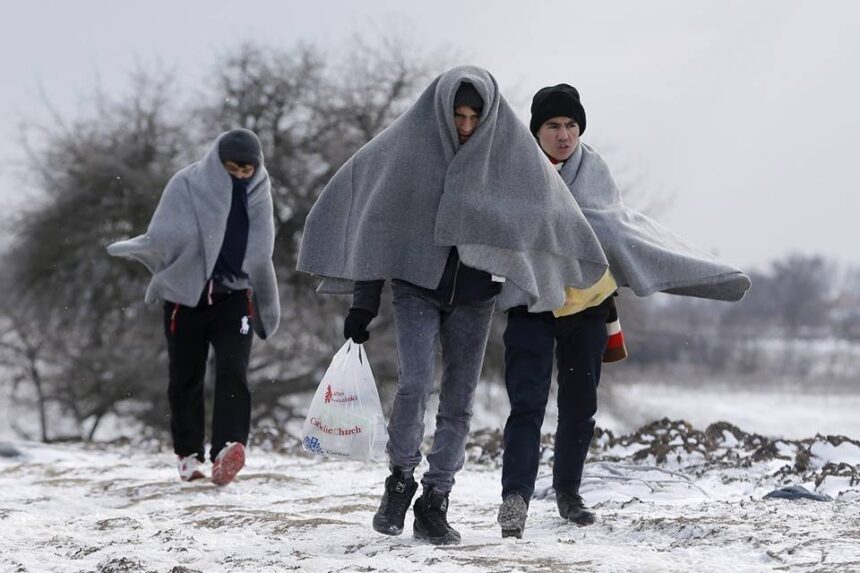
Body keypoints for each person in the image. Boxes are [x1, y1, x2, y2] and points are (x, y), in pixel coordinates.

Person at [298, 66, 609, 545]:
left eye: (474, 117)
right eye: (458, 115)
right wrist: (363, 304)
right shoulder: (407, 153)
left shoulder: (505, 159)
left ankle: (435, 499)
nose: (465, 126)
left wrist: (555, 278)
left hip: (476, 295)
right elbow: (376, 228)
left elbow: (550, 216)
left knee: (459, 402)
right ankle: (400, 480)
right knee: (415, 385)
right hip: (415, 287)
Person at [496, 84, 752, 538]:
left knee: (580, 407)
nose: (564, 135)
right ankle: (515, 498)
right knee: (526, 405)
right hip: (531, 304)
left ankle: (569, 494)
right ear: (536, 131)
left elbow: (616, 226)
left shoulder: (594, 171)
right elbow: (498, 226)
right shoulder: (514, 171)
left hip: (588, 306)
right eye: (553, 126)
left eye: (571, 125)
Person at [107, 129, 280, 486]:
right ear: (218, 162)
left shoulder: (260, 191)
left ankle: (228, 448)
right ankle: (188, 455)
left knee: (234, 370)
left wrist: (265, 299)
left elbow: (262, 253)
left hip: (234, 296)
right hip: (185, 298)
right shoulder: (186, 183)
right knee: (186, 375)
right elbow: (164, 233)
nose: (240, 176)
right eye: (232, 169)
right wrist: (144, 246)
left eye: (247, 170)